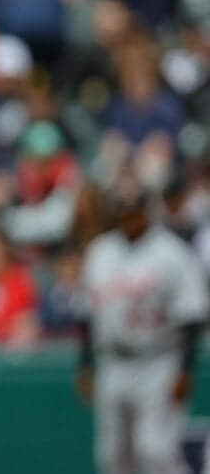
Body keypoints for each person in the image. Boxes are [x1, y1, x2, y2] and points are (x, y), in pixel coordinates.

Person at [76, 175, 208, 474]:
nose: (129, 217)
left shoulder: (172, 252)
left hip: (159, 359)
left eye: (135, 210)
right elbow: (87, 313)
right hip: (113, 360)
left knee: (155, 451)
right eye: (123, 210)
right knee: (112, 455)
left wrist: (185, 369)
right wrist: (85, 362)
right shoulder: (100, 251)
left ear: (148, 210)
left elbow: (192, 316)